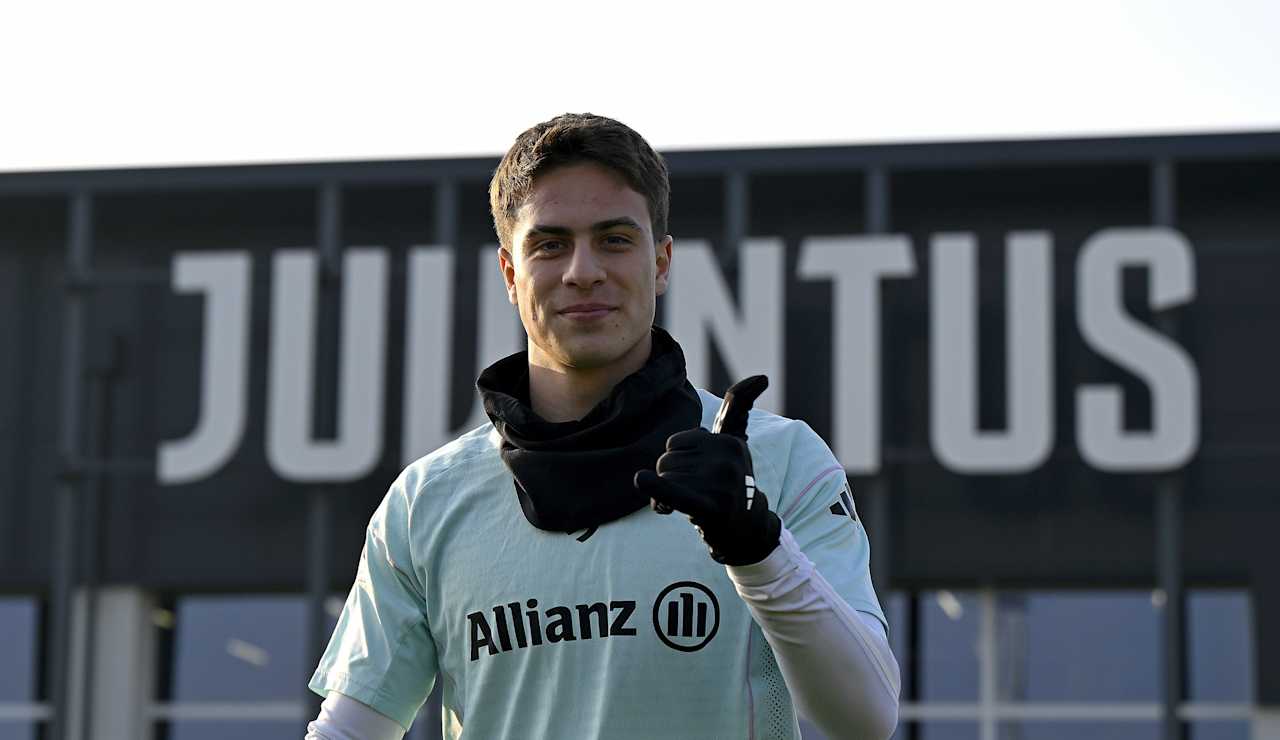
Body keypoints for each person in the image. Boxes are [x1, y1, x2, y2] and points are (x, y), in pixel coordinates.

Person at [305, 113, 900, 740]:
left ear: (662, 262)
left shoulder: (779, 460)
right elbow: (349, 732)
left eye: (614, 239)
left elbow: (866, 718)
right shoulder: (426, 501)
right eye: (549, 244)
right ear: (510, 274)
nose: (582, 271)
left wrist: (757, 548)